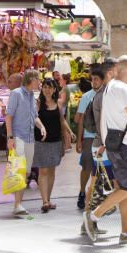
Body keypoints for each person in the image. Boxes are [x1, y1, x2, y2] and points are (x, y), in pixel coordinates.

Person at [83, 56, 127, 243]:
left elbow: (104, 118)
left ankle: (126, 232)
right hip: (121, 145)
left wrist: (104, 142)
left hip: (113, 144)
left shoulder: (109, 88)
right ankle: (94, 214)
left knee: (125, 188)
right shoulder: (122, 87)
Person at [5, 70, 46, 217]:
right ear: (31, 79)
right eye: (38, 80)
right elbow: (8, 116)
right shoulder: (16, 94)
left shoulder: (31, 96)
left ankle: (18, 203)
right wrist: (10, 137)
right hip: (18, 138)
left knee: (26, 172)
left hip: (29, 138)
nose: (39, 82)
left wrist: (41, 127)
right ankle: (17, 204)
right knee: (19, 171)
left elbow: (34, 117)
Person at [35, 78, 73, 212]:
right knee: (43, 170)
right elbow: (34, 118)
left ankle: (48, 199)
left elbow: (62, 121)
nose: (47, 90)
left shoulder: (58, 104)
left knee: (51, 171)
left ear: (54, 89)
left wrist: (70, 131)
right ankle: (44, 201)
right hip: (41, 141)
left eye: (50, 87)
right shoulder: (38, 104)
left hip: (56, 140)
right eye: (45, 87)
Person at [74, 76, 97, 210]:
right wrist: (79, 140)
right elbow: (80, 119)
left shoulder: (108, 95)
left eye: (98, 79)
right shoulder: (86, 96)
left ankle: (95, 194)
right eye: (93, 80)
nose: (95, 82)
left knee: (102, 168)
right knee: (87, 167)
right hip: (89, 136)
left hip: (104, 137)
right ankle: (82, 192)